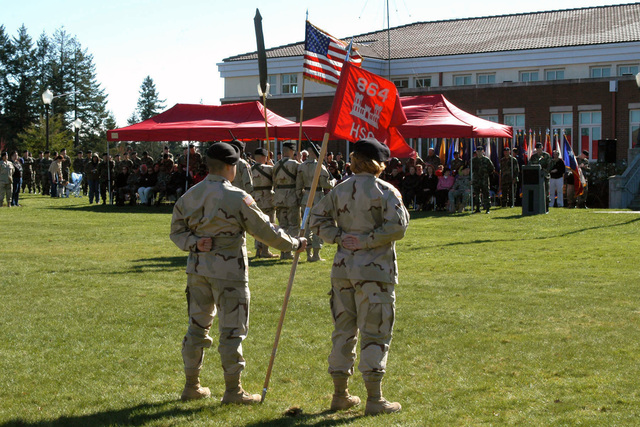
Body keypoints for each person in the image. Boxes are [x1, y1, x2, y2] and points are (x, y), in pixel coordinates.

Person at [170, 142, 307, 403]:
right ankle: (233, 391)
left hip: (197, 270)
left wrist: (194, 243)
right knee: (232, 331)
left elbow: (176, 231)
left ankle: (191, 386)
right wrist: (295, 244)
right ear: (231, 167)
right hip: (229, 272)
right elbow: (265, 231)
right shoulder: (237, 197)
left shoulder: (190, 195)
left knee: (196, 328)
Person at [309, 138, 409, 416]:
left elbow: (316, 219)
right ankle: (374, 399)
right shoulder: (385, 190)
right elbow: (399, 227)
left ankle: (340, 395)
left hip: (343, 270)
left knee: (344, 330)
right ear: (379, 163)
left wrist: (340, 237)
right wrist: (367, 241)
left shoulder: (339, 189)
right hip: (374, 272)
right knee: (375, 332)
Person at [296, 142, 335, 262]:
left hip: (305, 197)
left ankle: (308, 253)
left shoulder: (301, 166)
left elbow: (298, 186)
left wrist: (300, 197)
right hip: (317, 197)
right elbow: (325, 184)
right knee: (318, 224)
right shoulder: (320, 166)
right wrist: (333, 182)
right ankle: (316, 254)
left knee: (306, 226)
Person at [273, 141, 300, 260]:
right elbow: (299, 182)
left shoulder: (276, 165)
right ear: (291, 151)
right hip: (291, 197)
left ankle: (283, 251)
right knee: (293, 225)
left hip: (279, 197)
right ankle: (289, 251)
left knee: (282, 226)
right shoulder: (295, 164)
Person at [251, 148, 278, 258]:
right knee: (268, 225)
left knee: (257, 226)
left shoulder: (250, 169)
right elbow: (276, 180)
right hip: (267, 199)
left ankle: (258, 249)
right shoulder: (269, 169)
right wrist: (273, 166)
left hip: (255, 199)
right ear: (264, 157)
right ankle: (265, 250)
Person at [472, 146, 495, 213]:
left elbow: (492, 168)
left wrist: (486, 174)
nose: (479, 153)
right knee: (476, 194)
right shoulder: (473, 160)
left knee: (486, 193)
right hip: (476, 179)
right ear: (476, 152)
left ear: (483, 151)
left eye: (480, 151)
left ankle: (487, 208)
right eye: (478, 151)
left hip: (484, 179)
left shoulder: (486, 160)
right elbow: (471, 170)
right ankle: (477, 208)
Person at [529, 142, 551, 210]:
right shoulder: (533, 157)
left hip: (544, 176)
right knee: (536, 192)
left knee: (545, 192)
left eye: (540, 148)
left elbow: (549, 166)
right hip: (536, 177)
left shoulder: (546, 155)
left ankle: (546, 207)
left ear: (542, 148)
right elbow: (530, 165)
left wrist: (544, 171)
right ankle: (536, 207)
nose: (539, 150)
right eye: (537, 149)